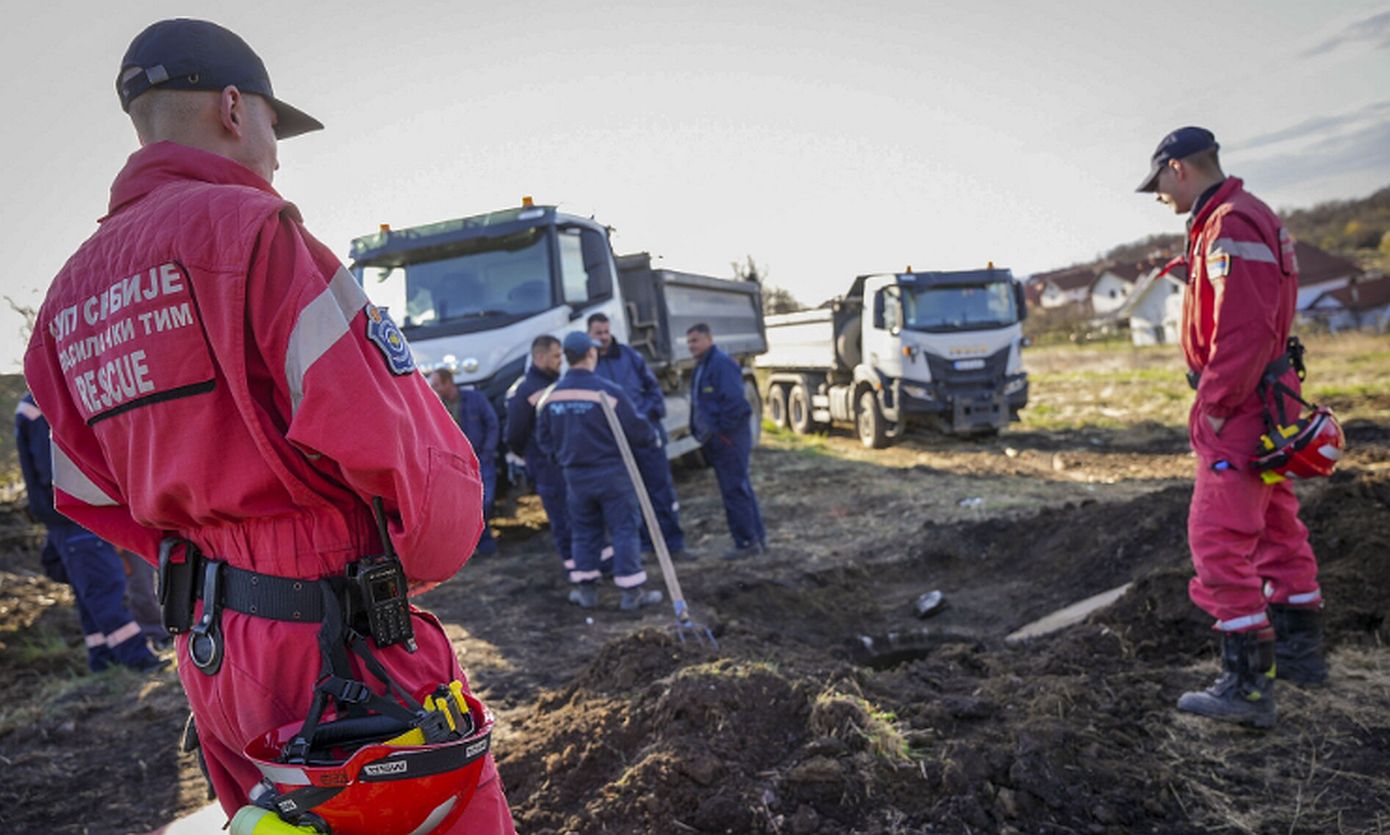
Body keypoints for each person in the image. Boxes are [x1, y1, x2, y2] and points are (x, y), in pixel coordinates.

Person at [23, 19, 513, 832]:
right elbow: (411, 454)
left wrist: (210, 561)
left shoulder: (66, 301)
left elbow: (86, 491)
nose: (277, 153)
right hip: (336, 640)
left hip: (211, 649)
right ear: (230, 107)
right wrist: (394, 568)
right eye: (271, 124)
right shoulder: (257, 235)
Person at [1138, 126, 1324, 729]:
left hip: (1241, 403)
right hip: (1269, 397)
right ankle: (1300, 657)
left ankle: (1246, 689)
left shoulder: (1230, 225)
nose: (1159, 195)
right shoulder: (1243, 216)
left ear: (1178, 168)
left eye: (1159, 183)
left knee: (1217, 539)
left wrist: (1213, 405)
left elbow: (1242, 329)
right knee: (1275, 526)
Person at [14, 393, 164, 672]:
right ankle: (139, 659)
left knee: (90, 594)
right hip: (77, 516)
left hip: (67, 519)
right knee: (104, 589)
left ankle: (103, 660)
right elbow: (55, 471)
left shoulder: (34, 404)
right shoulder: (42, 405)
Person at [536, 332, 664, 610]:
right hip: (612, 473)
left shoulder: (550, 396)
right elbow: (637, 429)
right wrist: (653, 438)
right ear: (590, 355)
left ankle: (587, 592)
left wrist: (562, 459)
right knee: (624, 528)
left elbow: (543, 439)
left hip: (575, 477)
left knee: (583, 530)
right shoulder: (607, 392)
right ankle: (631, 593)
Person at [587, 313, 693, 561]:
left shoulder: (629, 356)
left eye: (605, 332)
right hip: (614, 443)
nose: (603, 338)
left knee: (661, 491)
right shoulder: (589, 364)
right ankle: (645, 545)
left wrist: (641, 418)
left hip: (645, 437)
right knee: (630, 496)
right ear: (589, 334)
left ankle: (673, 544)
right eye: (597, 333)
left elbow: (653, 390)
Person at [686, 323, 766, 560]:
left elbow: (736, 405)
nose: (691, 346)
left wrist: (720, 434)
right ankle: (756, 538)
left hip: (729, 440)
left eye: (696, 341)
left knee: (735, 490)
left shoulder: (720, 364)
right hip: (722, 439)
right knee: (739, 488)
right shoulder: (703, 365)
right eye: (689, 341)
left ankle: (746, 542)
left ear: (709, 339)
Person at [505, 335, 573, 570]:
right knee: (562, 517)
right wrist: (533, 458)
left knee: (577, 515)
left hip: (563, 463)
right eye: (556, 356)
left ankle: (591, 566)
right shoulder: (524, 390)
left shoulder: (557, 384)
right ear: (540, 357)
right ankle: (575, 568)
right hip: (546, 466)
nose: (560, 361)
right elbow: (514, 435)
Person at [431, 369, 499, 555]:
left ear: (448, 382)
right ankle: (480, 545)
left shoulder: (475, 399)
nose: (433, 388)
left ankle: (483, 543)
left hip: (481, 459)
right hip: (456, 465)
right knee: (467, 506)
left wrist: (487, 451)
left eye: (436, 384)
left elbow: (492, 423)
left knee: (485, 502)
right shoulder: (437, 406)